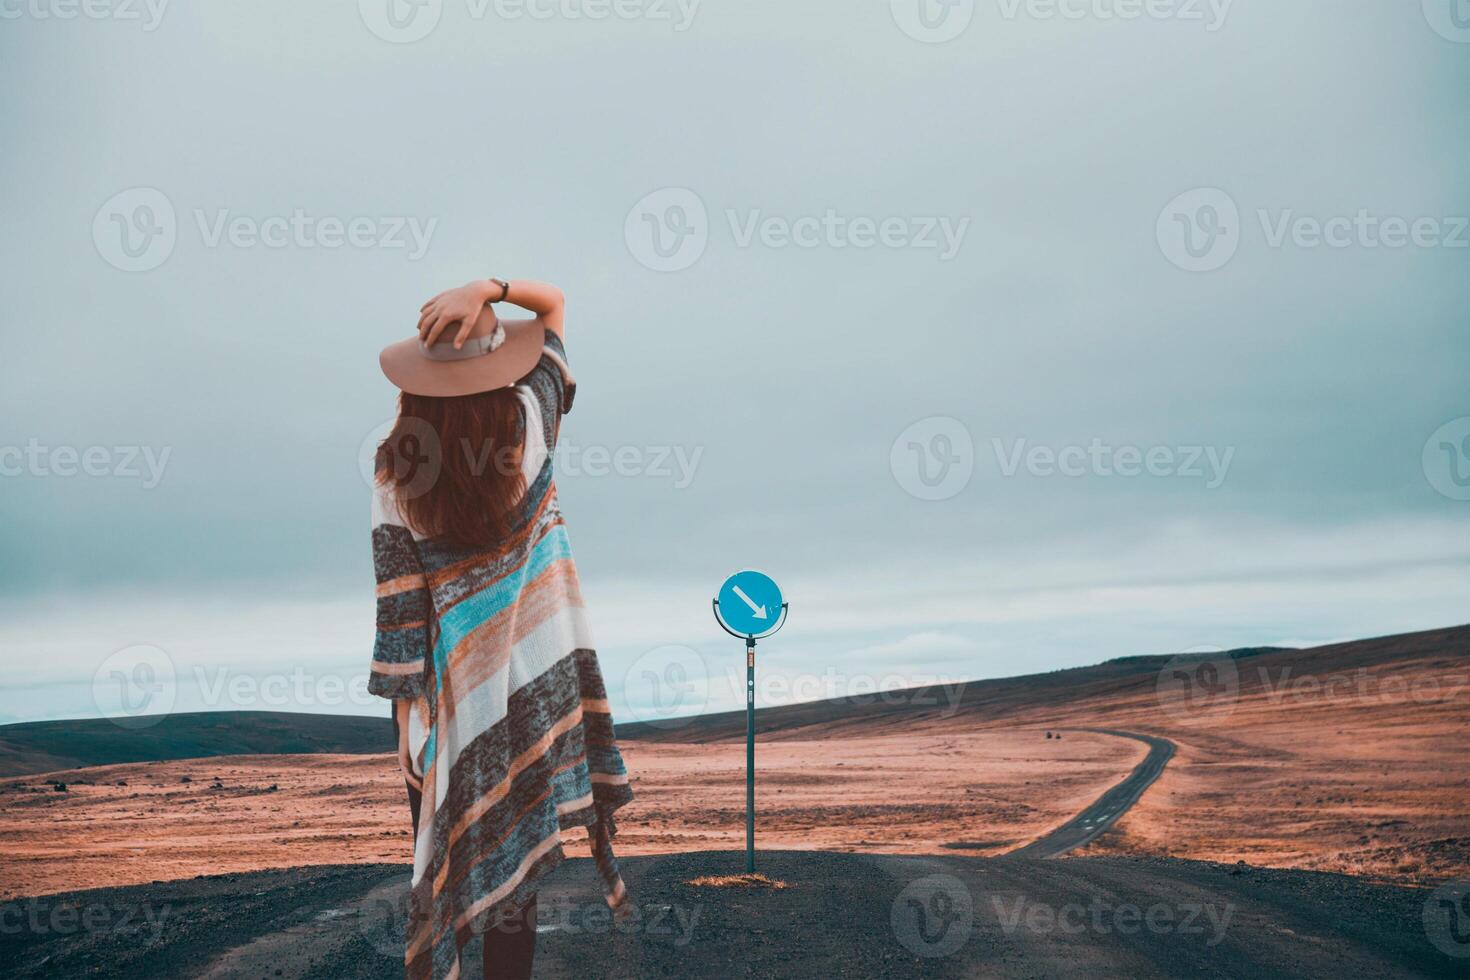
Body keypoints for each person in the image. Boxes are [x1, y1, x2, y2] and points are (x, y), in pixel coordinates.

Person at [369, 277, 633, 979]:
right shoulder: (530, 424)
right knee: (516, 884)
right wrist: (492, 286)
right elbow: (555, 308)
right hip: (536, 696)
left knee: (455, 854)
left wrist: (403, 720)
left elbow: (399, 606)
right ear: (496, 364)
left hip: (445, 710)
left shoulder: (395, 469)